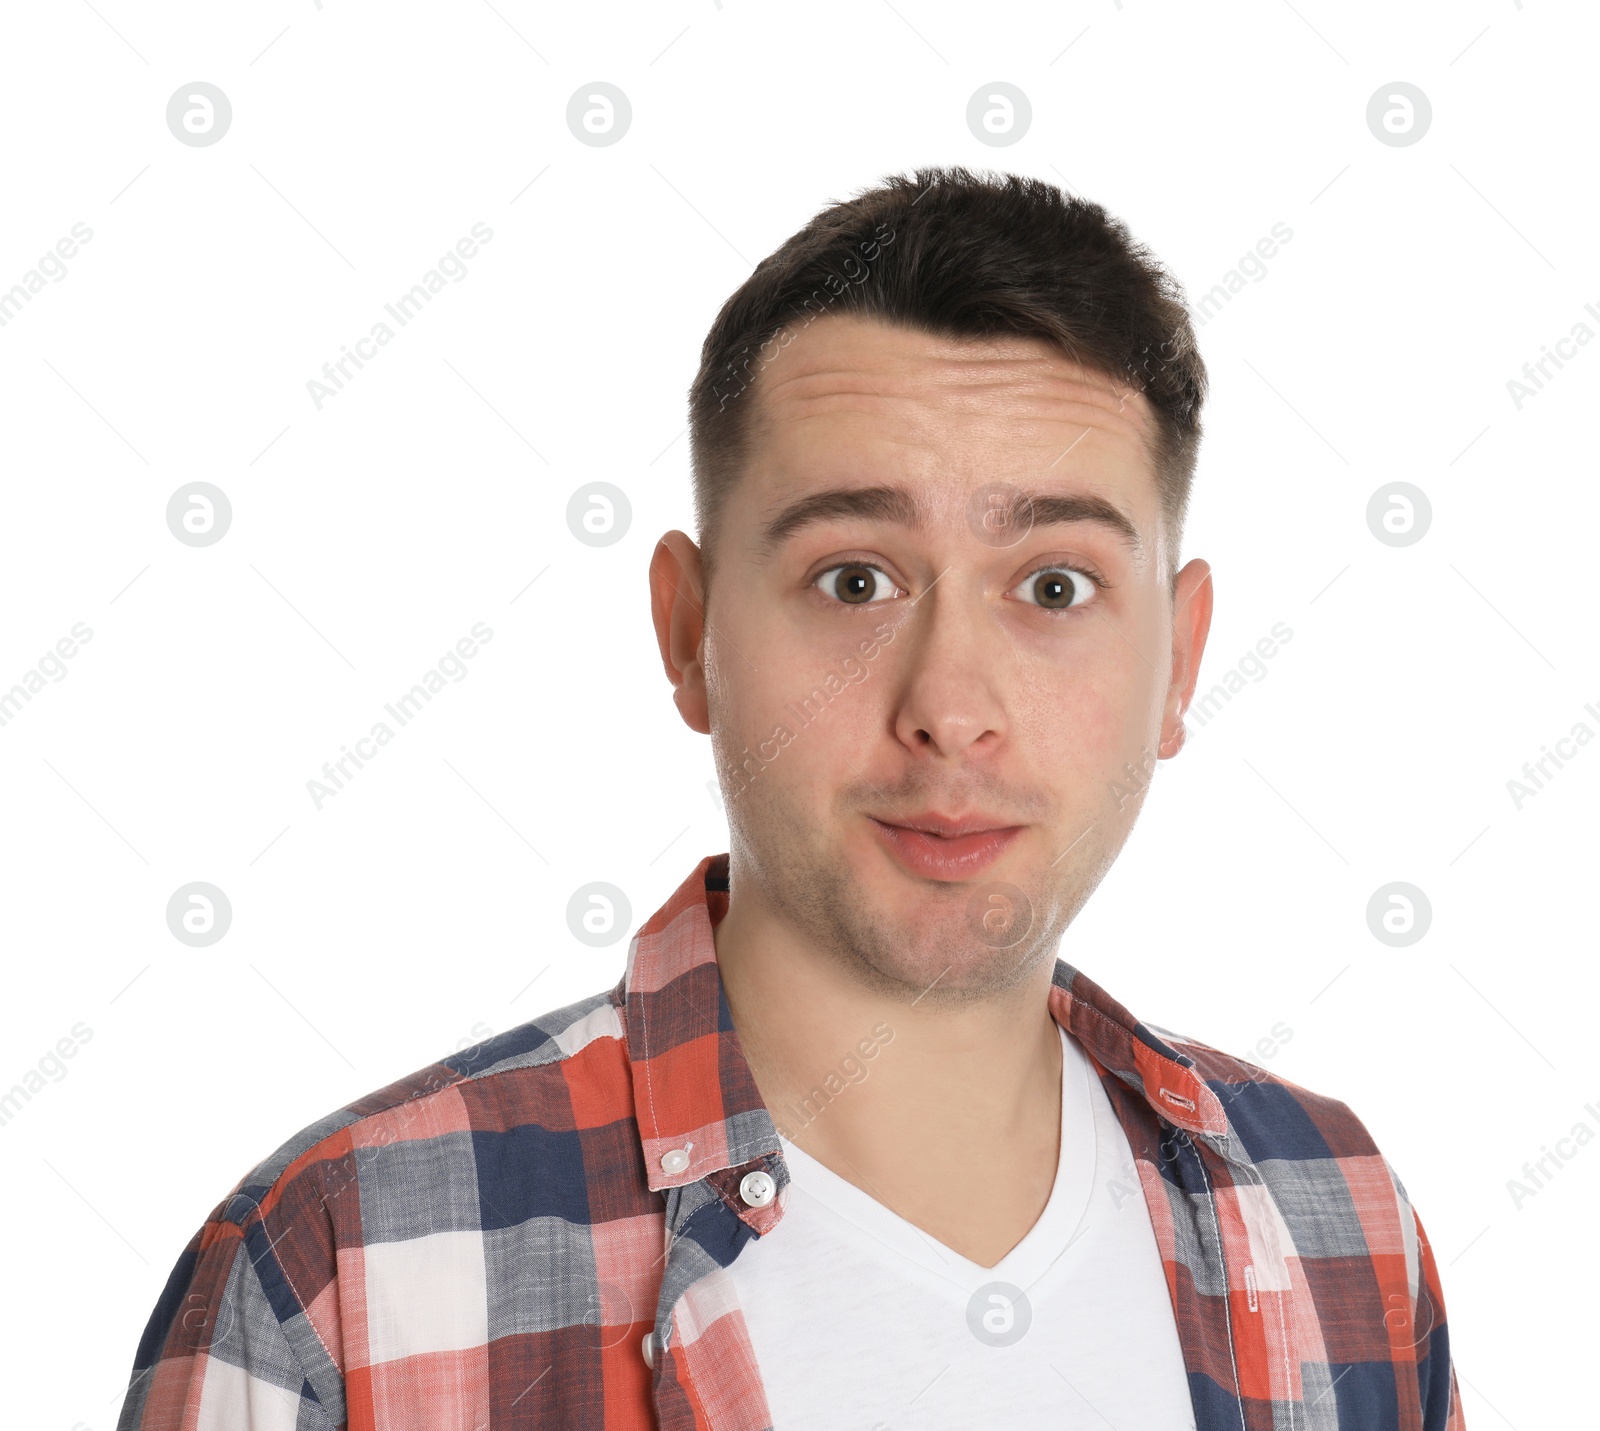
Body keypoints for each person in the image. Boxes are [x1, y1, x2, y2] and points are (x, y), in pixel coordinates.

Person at [117, 166, 1463, 1430]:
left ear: (1179, 663)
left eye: (1054, 586)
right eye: (855, 580)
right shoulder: (341, 1273)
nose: (950, 703)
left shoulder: (1332, 1213)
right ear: (688, 632)